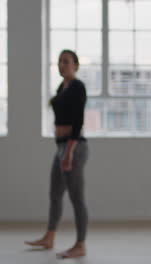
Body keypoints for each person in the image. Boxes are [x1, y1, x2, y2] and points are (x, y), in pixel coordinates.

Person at [25, 50, 89, 259]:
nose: (62, 65)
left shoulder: (78, 87)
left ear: (76, 65)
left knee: (76, 198)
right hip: (61, 147)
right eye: (59, 62)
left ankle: (80, 244)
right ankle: (49, 237)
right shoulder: (62, 87)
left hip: (74, 148)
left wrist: (69, 153)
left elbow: (78, 122)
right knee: (55, 194)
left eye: (66, 62)